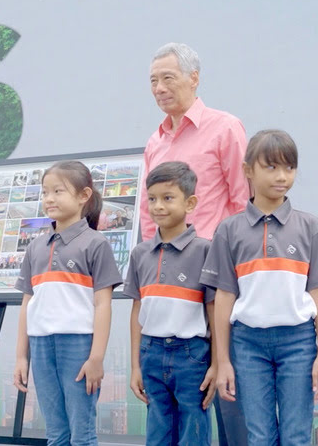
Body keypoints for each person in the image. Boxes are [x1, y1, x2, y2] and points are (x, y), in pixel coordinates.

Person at [201, 130, 318, 445]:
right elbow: (224, 298)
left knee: (296, 436)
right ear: (248, 170)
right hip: (247, 346)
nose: (282, 176)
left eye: (289, 167)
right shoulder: (229, 231)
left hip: (299, 343)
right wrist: (223, 360)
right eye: (271, 167)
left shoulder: (310, 227)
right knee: (259, 436)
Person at [140, 42, 250, 444]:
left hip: (217, 276)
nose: (159, 88)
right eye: (153, 81)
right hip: (170, 283)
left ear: (194, 78)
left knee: (227, 388)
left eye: (168, 78)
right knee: (178, 399)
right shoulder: (155, 141)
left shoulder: (224, 127)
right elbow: (145, 213)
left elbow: (242, 202)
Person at [13, 161, 122, 446]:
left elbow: (103, 305)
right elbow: (27, 303)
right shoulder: (36, 246)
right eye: (45, 192)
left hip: (78, 346)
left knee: (81, 433)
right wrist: (21, 356)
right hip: (40, 345)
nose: (49, 199)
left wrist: (96, 357)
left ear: (84, 195)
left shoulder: (95, 244)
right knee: (56, 433)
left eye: (58, 191)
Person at [126, 162, 215, 445]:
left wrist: (217, 363)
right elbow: (137, 311)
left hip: (192, 354)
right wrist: (135, 366)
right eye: (152, 199)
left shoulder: (205, 250)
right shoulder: (140, 253)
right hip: (150, 351)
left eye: (167, 198)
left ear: (190, 203)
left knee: (194, 427)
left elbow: (214, 310)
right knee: (158, 428)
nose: (158, 206)